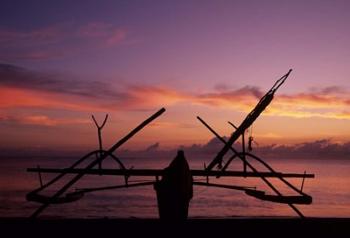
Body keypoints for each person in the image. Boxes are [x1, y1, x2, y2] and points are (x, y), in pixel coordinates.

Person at [154, 150, 193, 220]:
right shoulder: (185, 166)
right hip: (183, 195)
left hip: (177, 195)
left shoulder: (176, 163)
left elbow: (169, 171)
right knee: (182, 213)